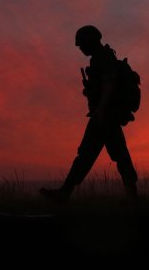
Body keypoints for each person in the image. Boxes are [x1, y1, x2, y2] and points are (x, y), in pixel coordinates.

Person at [40, 25, 139, 202]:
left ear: (90, 42)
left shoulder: (103, 57)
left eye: (82, 44)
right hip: (105, 115)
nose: (80, 48)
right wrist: (91, 92)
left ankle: (64, 193)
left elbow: (109, 84)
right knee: (111, 154)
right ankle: (132, 195)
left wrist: (100, 109)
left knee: (95, 154)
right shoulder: (101, 57)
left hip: (105, 116)